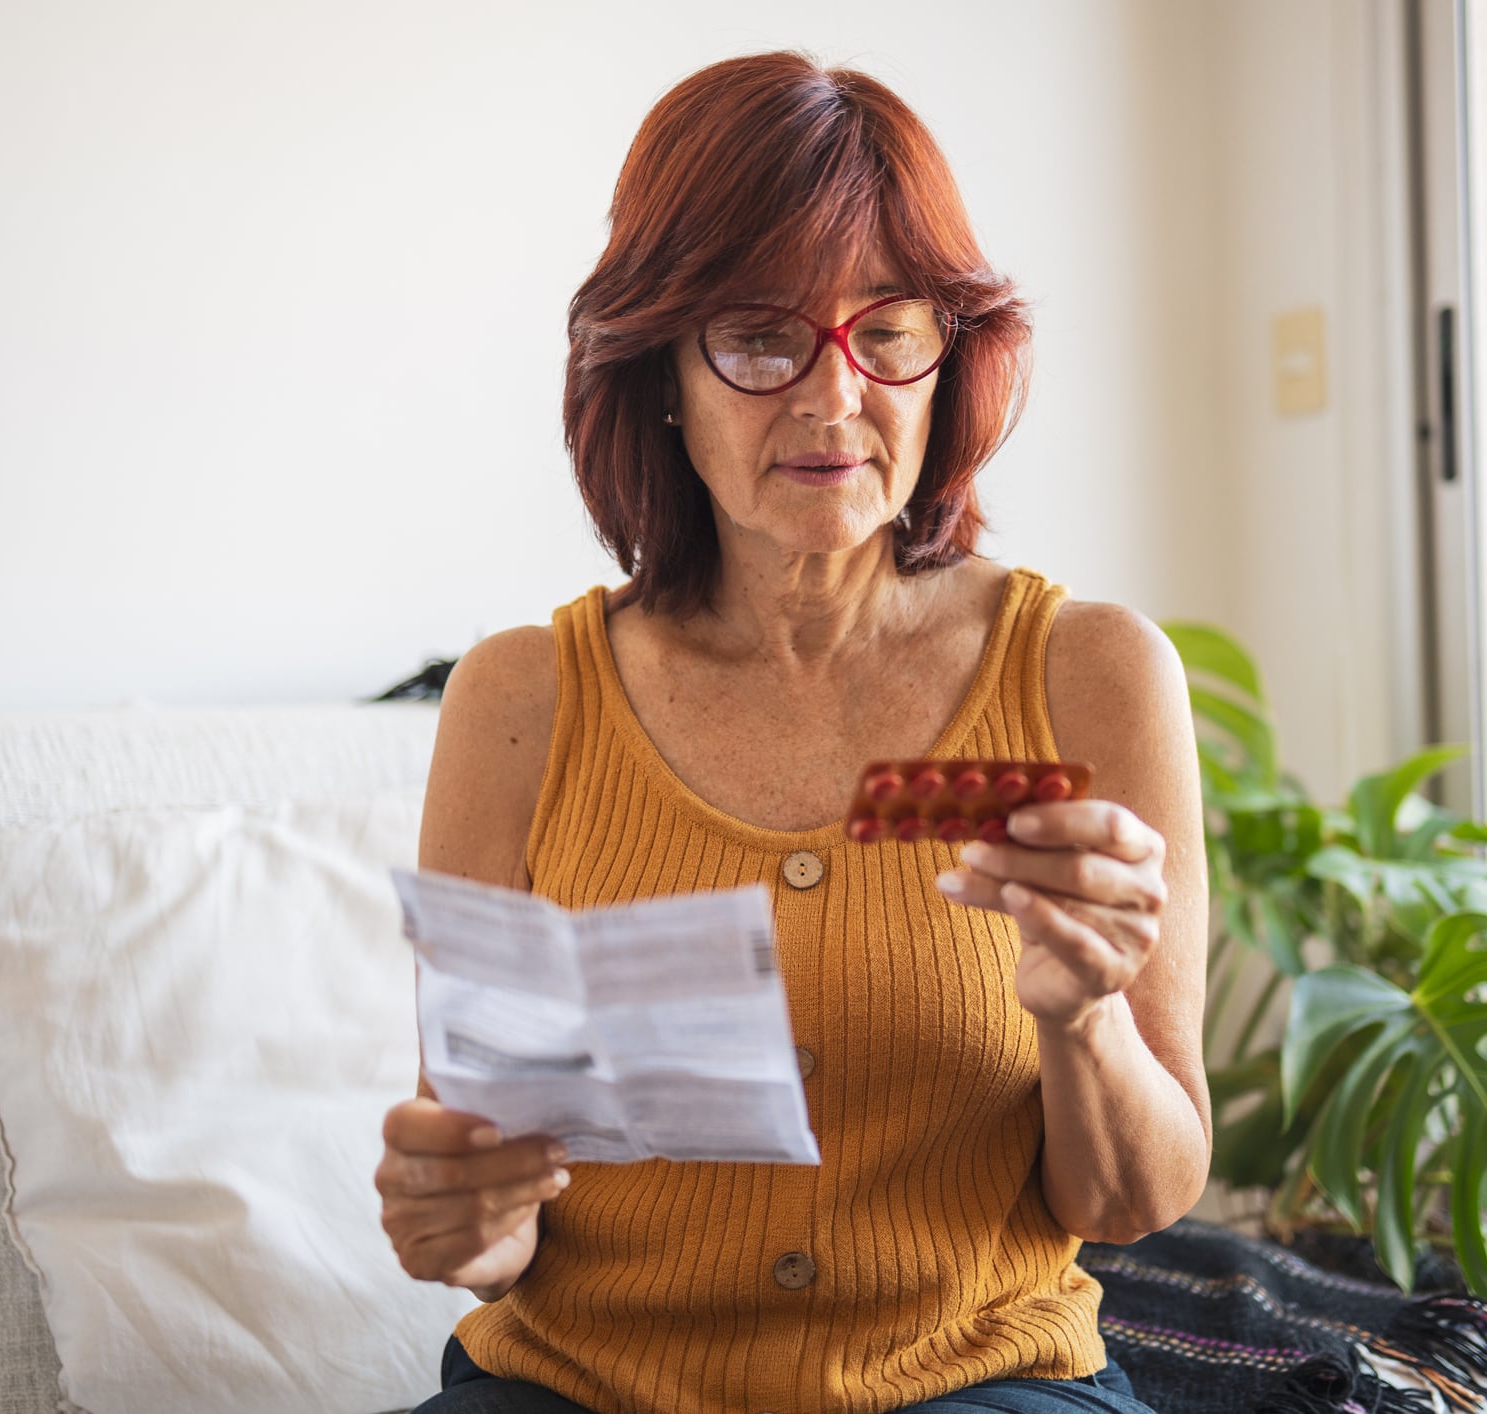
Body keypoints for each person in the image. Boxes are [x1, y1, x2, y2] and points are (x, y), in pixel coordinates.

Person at [375, 50, 1210, 1414]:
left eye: (887, 331)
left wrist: (1083, 1015)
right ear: (659, 370)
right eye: (761, 338)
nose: (834, 399)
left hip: (973, 1379)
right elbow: (487, 1219)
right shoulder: (518, 700)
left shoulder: (1090, 672)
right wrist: (457, 1220)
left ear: (947, 359)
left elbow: (1135, 1200)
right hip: (580, 1386)